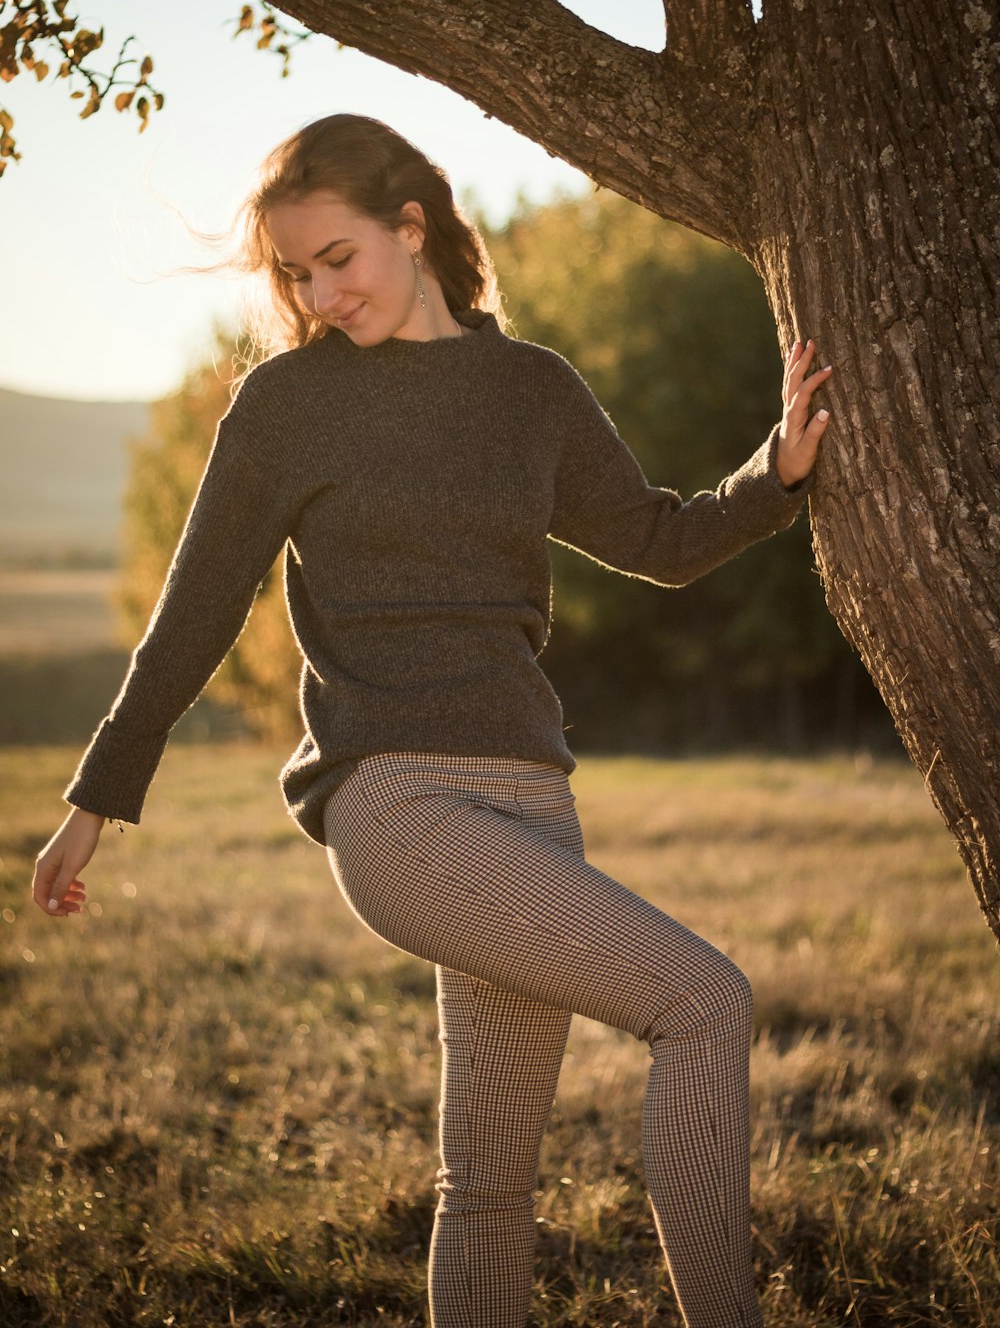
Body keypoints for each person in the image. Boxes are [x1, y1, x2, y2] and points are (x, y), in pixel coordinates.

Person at [33, 114, 833, 1328]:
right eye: (297, 274)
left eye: (337, 258)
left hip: (531, 804)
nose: (318, 293)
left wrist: (770, 475)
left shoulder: (530, 388)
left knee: (490, 1185)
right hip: (395, 806)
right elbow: (193, 614)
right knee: (704, 1004)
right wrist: (95, 802)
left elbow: (654, 540)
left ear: (411, 229)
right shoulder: (286, 405)